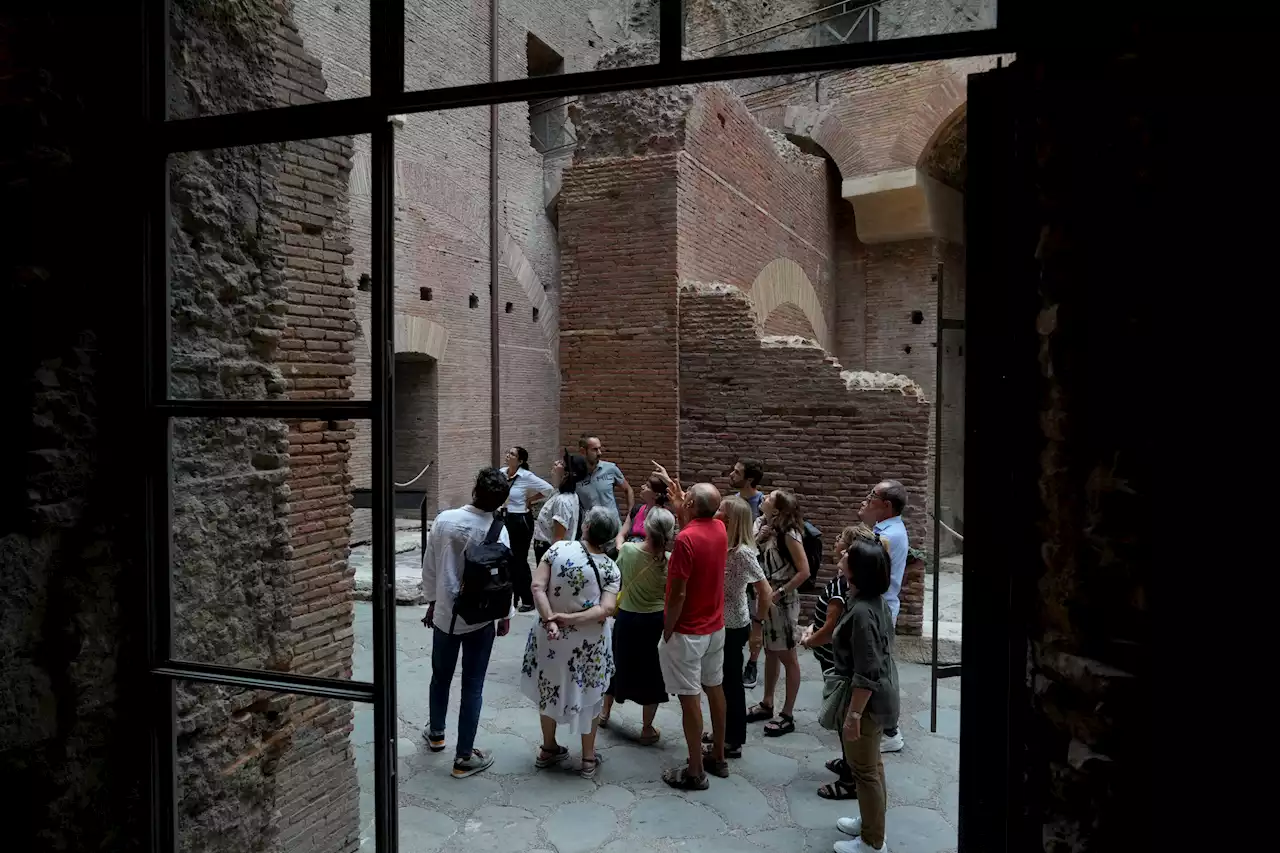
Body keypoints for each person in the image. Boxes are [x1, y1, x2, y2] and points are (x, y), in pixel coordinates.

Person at [421, 468, 515, 779]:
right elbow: (503, 578)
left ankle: (436, 733)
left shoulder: (444, 520)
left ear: (475, 489)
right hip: (481, 618)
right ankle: (463, 757)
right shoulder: (497, 530)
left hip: (446, 615)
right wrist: (505, 616)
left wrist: (432, 603)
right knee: (472, 687)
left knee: (440, 677)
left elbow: (430, 567)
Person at [520, 506, 621, 780]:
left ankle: (549, 748)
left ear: (586, 526)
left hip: (550, 638)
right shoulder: (611, 569)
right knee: (591, 695)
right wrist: (570, 618)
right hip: (588, 644)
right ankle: (588, 759)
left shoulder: (558, 549)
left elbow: (537, 587)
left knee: (548, 689)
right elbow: (605, 610)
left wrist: (552, 619)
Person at [830, 528, 900, 853]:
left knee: (866, 770)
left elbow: (867, 670)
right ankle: (871, 822)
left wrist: (854, 715)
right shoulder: (869, 601)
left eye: (848, 555)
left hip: (868, 702)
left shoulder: (861, 612)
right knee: (871, 766)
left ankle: (873, 843)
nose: (842, 555)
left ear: (857, 569)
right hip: (877, 696)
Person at [658, 482, 729, 791]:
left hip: (688, 630)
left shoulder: (684, 540)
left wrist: (668, 628)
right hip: (716, 627)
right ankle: (719, 756)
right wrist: (681, 504)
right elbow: (698, 534)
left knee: (690, 700)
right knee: (715, 688)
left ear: (689, 504)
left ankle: (695, 771)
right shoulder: (720, 528)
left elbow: (676, 594)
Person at [598, 503, 675, 743]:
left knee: (616, 664)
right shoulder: (671, 561)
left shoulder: (629, 551)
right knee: (651, 672)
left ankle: (604, 713)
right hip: (654, 622)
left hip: (627, 618)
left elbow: (617, 579)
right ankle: (646, 728)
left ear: (647, 529)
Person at [745, 489, 810, 737]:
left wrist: (780, 592)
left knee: (787, 655)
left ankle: (788, 714)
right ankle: (767, 703)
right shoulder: (761, 523)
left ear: (778, 509)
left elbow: (803, 571)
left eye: (770, 498)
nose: (764, 498)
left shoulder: (789, 534)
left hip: (781, 601)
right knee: (770, 651)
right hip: (764, 595)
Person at [713, 495, 771, 759]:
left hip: (734, 624)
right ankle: (721, 731)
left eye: (721, 511)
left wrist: (758, 627)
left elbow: (764, 591)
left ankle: (733, 739)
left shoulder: (743, 552)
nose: (716, 513)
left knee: (730, 684)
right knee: (717, 681)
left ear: (731, 518)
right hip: (718, 622)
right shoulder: (721, 544)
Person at [806, 525, 859, 800]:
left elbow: (830, 628)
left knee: (842, 715)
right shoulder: (843, 580)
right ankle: (846, 761)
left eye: (841, 539)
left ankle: (850, 776)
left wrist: (809, 640)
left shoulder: (842, 586)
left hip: (836, 664)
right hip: (832, 661)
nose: (836, 541)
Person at [858, 479, 909, 754]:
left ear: (887, 505)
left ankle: (890, 731)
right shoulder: (885, 529)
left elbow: (870, 571)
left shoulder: (889, 536)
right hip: (878, 607)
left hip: (880, 610)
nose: (868, 497)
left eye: (872, 494)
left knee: (879, 670)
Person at [501, 446, 554, 612]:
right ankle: (510, 596)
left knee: (519, 560)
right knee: (506, 558)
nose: (508, 455)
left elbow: (548, 489)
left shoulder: (526, 476)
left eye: (512, 454)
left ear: (521, 460)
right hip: (504, 517)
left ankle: (527, 598)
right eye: (508, 453)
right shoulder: (501, 473)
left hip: (521, 520)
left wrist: (530, 500)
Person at [729, 458, 765, 688]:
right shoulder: (732, 502)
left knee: (754, 616)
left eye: (737, 472)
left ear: (749, 479)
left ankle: (752, 662)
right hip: (734, 565)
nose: (732, 474)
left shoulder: (763, 504)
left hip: (754, 565)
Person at [575, 434, 633, 556]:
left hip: (613, 532)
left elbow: (628, 490)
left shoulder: (610, 469)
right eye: (595, 449)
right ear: (582, 451)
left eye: (599, 448)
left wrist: (629, 516)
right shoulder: (576, 475)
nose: (599, 453)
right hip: (591, 533)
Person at [532, 452, 585, 566]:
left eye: (561, 463)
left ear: (566, 474)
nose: (555, 463)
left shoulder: (563, 501)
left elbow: (558, 540)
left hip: (549, 552)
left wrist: (549, 565)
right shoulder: (557, 492)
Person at [618, 474, 671, 547]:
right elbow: (621, 534)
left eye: (647, 486)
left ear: (656, 495)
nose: (642, 487)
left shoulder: (663, 517)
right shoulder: (637, 509)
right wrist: (619, 546)